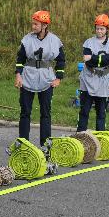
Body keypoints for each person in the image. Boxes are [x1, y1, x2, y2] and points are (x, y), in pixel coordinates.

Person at [14, 10, 65, 146]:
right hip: (28, 78)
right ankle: (23, 143)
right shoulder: (27, 39)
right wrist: (18, 75)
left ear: (44, 26)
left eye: (36, 24)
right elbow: (20, 59)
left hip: (47, 79)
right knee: (25, 112)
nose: (33, 26)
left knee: (45, 113)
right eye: (33, 24)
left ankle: (45, 144)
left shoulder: (55, 41)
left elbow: (61, 61)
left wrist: (58, 78)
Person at [77, 14, 109, 132]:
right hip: (88, 78)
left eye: (102, 28)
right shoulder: (88, 42)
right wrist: (100, 60)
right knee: (84, 110)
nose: (99, 31)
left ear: (106, 30)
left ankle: (101, 137)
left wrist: (94, 58)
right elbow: (87, 60)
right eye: (97, 28)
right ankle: (80, 136)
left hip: (103, 80)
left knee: (101, 112)